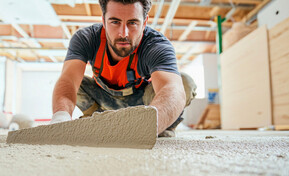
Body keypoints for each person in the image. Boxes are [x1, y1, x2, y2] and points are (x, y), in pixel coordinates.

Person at [51, 0, 197, 137]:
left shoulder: (156, 45)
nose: (123, 34)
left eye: (132, 23)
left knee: (184, 83)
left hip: (143, 105)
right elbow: (68, 80)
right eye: (115, 22)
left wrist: (147, 128)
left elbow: (172, 89)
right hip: (103, 102)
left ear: (144, 22)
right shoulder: (86, 39)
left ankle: (162, 127)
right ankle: (96, 122)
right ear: (103, 20)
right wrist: (60, 119)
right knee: (75, 83)